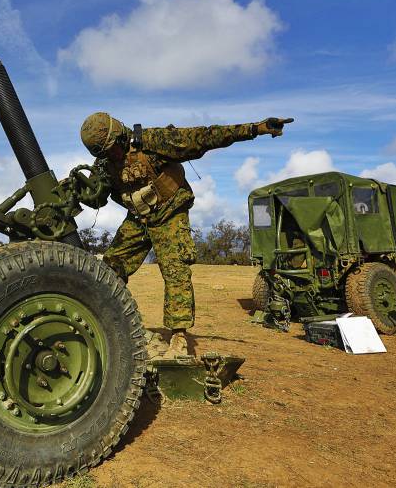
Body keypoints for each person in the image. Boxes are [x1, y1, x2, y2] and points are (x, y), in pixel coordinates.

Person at [80, 112, 292, 357]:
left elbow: (207, 137)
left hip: (170, 213)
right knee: (109, 269)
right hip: (139, 219)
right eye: (103, 154)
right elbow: (97, 198)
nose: (110, 156)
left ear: (119, 136)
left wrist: (256, 128)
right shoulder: (105, 163)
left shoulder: (154, 141)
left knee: (175, 271)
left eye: (111, 150)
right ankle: (102, 320)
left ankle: (178, 339)